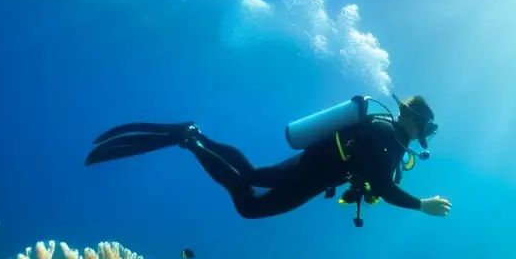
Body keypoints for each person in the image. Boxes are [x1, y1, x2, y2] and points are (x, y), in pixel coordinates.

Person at [84, 95, 452, 224]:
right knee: (249, 205)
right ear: (415, 120)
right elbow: (383, 187)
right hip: (312, 174)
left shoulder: (383, 128)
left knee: (252, 174)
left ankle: (194, 135)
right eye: (429, 127)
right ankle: (190, 141)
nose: (429, 134)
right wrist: (422, 205)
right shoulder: (387, 137)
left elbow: (371, 180)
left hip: (312, 162)